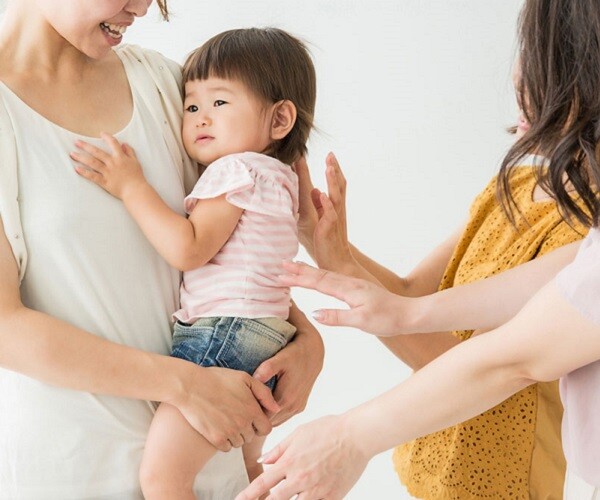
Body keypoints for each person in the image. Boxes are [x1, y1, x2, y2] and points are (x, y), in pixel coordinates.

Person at [235, 0, 600, 498]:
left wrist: (351, 436)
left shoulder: (581, 222)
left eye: (539, 55)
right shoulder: (513, 189)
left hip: (501, 479)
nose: (518, 76)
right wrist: (325, 246)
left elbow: (494, 359)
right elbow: (411, 298)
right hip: (432, 458)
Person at [0, 1, 324, 498]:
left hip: (210, 460)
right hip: (77, 470)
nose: (143, 7)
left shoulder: (169, 87)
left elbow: (237, 248)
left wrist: (306, 342)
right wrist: (183, 385)